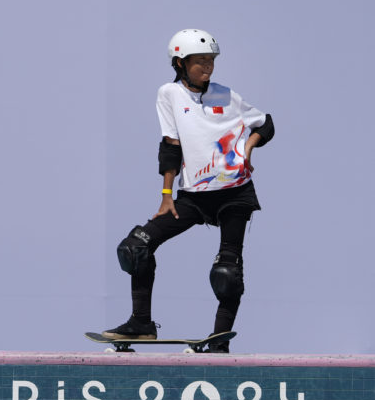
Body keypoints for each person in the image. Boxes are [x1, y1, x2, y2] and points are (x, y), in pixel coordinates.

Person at [102, 29, 275, 353]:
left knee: (228, 271)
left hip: (234, 191)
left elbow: (266, 124)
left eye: (211, 60)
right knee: (135, 248)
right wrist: (167, 196)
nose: (208, 67)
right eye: (200, 61)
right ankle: (141, 324)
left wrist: (249, 147)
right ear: (180, 63)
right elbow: (171, 147)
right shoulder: (169, 94)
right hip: (193, 195)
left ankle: (219, 341)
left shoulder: (227, 95)